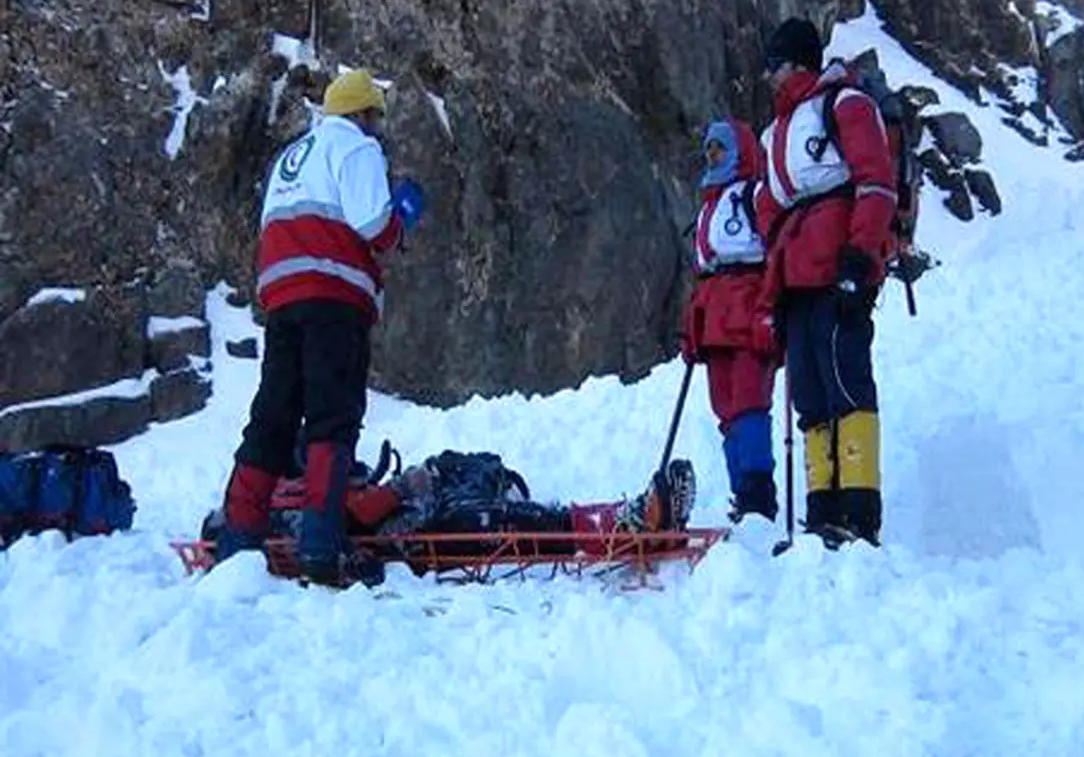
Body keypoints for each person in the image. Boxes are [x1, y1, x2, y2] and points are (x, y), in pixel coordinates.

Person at [216, 69, 426, 582]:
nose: (377, 126)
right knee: (333, 417)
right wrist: (401, 217)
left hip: (281, 295)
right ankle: (322, 548)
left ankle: (237, 541)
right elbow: (372, 225)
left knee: (273, 416)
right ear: (363, 114)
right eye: (376, 116)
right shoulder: (357, 147)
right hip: (333, 294)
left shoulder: (291, 156)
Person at [753, 18, 898, 547]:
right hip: (797, 278)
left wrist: (859, 257)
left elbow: (875, 180)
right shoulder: (776, 133)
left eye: (774, 65)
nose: (768, 76)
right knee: (810, 391)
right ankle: (822, 510)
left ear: (797, 62)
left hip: (839, 268)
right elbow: (768, 205)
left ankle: (858, 512)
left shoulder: (844, 105)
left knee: (845, 379)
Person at [200, 449, 698, 582]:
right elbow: (358, 513)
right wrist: (405, 486)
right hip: (414, 542)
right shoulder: (284, 507)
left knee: (519, 517)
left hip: (412, 529)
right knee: (507, 523)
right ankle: (628, 527)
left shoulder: (281, 501)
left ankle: (626, 518)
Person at [680, 118, 780, 523]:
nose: (712, 155)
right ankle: (742, 492)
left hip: (748, 312)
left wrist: (770, 310)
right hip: (716, 317)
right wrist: (693, 326)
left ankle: (758, 495)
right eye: (709, 148)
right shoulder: (710, 205)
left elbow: (776, 252)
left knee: (749, 402)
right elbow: (704, 273)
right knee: (725, 407)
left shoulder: (755, 196)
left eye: (720, 147)